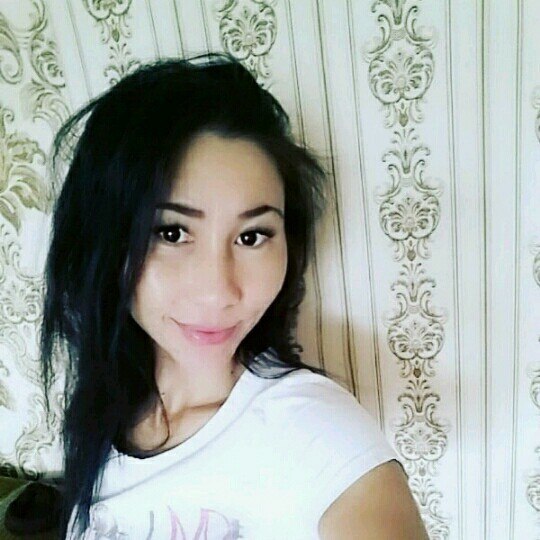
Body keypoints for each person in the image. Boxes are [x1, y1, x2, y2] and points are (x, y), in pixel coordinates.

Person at [40, 53, 428, 539]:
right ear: (105, 239)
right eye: (172, 233)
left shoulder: (317, 434)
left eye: (252, 236)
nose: (218, 292)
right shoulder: (105, 404)